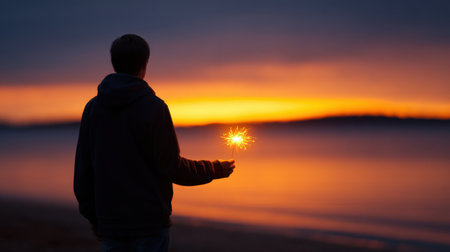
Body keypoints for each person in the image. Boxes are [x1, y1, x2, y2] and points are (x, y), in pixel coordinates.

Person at [74, 34, 235, 252]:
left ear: (113, 62)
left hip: (110, 222)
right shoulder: (154, 108)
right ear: (145, 64)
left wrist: (94, 216)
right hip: (149, 224)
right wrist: (215, 169)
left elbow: (83, 170)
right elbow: (172, 167)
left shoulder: (92, 109)